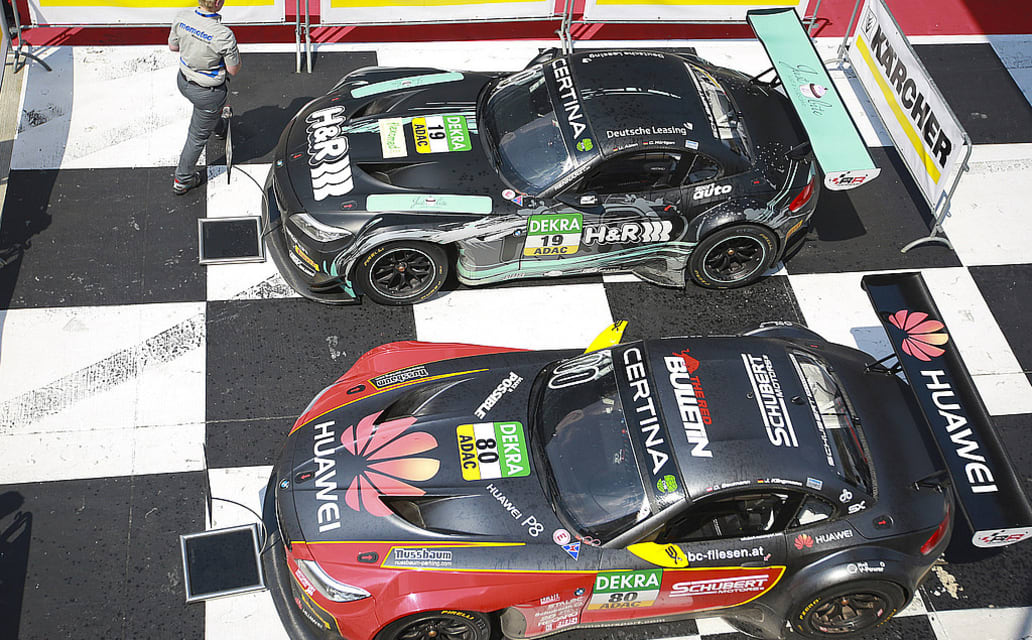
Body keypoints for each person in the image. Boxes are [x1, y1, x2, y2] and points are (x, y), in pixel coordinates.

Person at [168, 0, 241, 195]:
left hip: (184, 81)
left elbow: (173, 47)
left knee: (207, 114)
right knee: (196, 137)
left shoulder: (182, 17)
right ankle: (182, 179)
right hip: (208, 93)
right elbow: (233, 70)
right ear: (217, 3)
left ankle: (220, 128)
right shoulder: (224, 35)